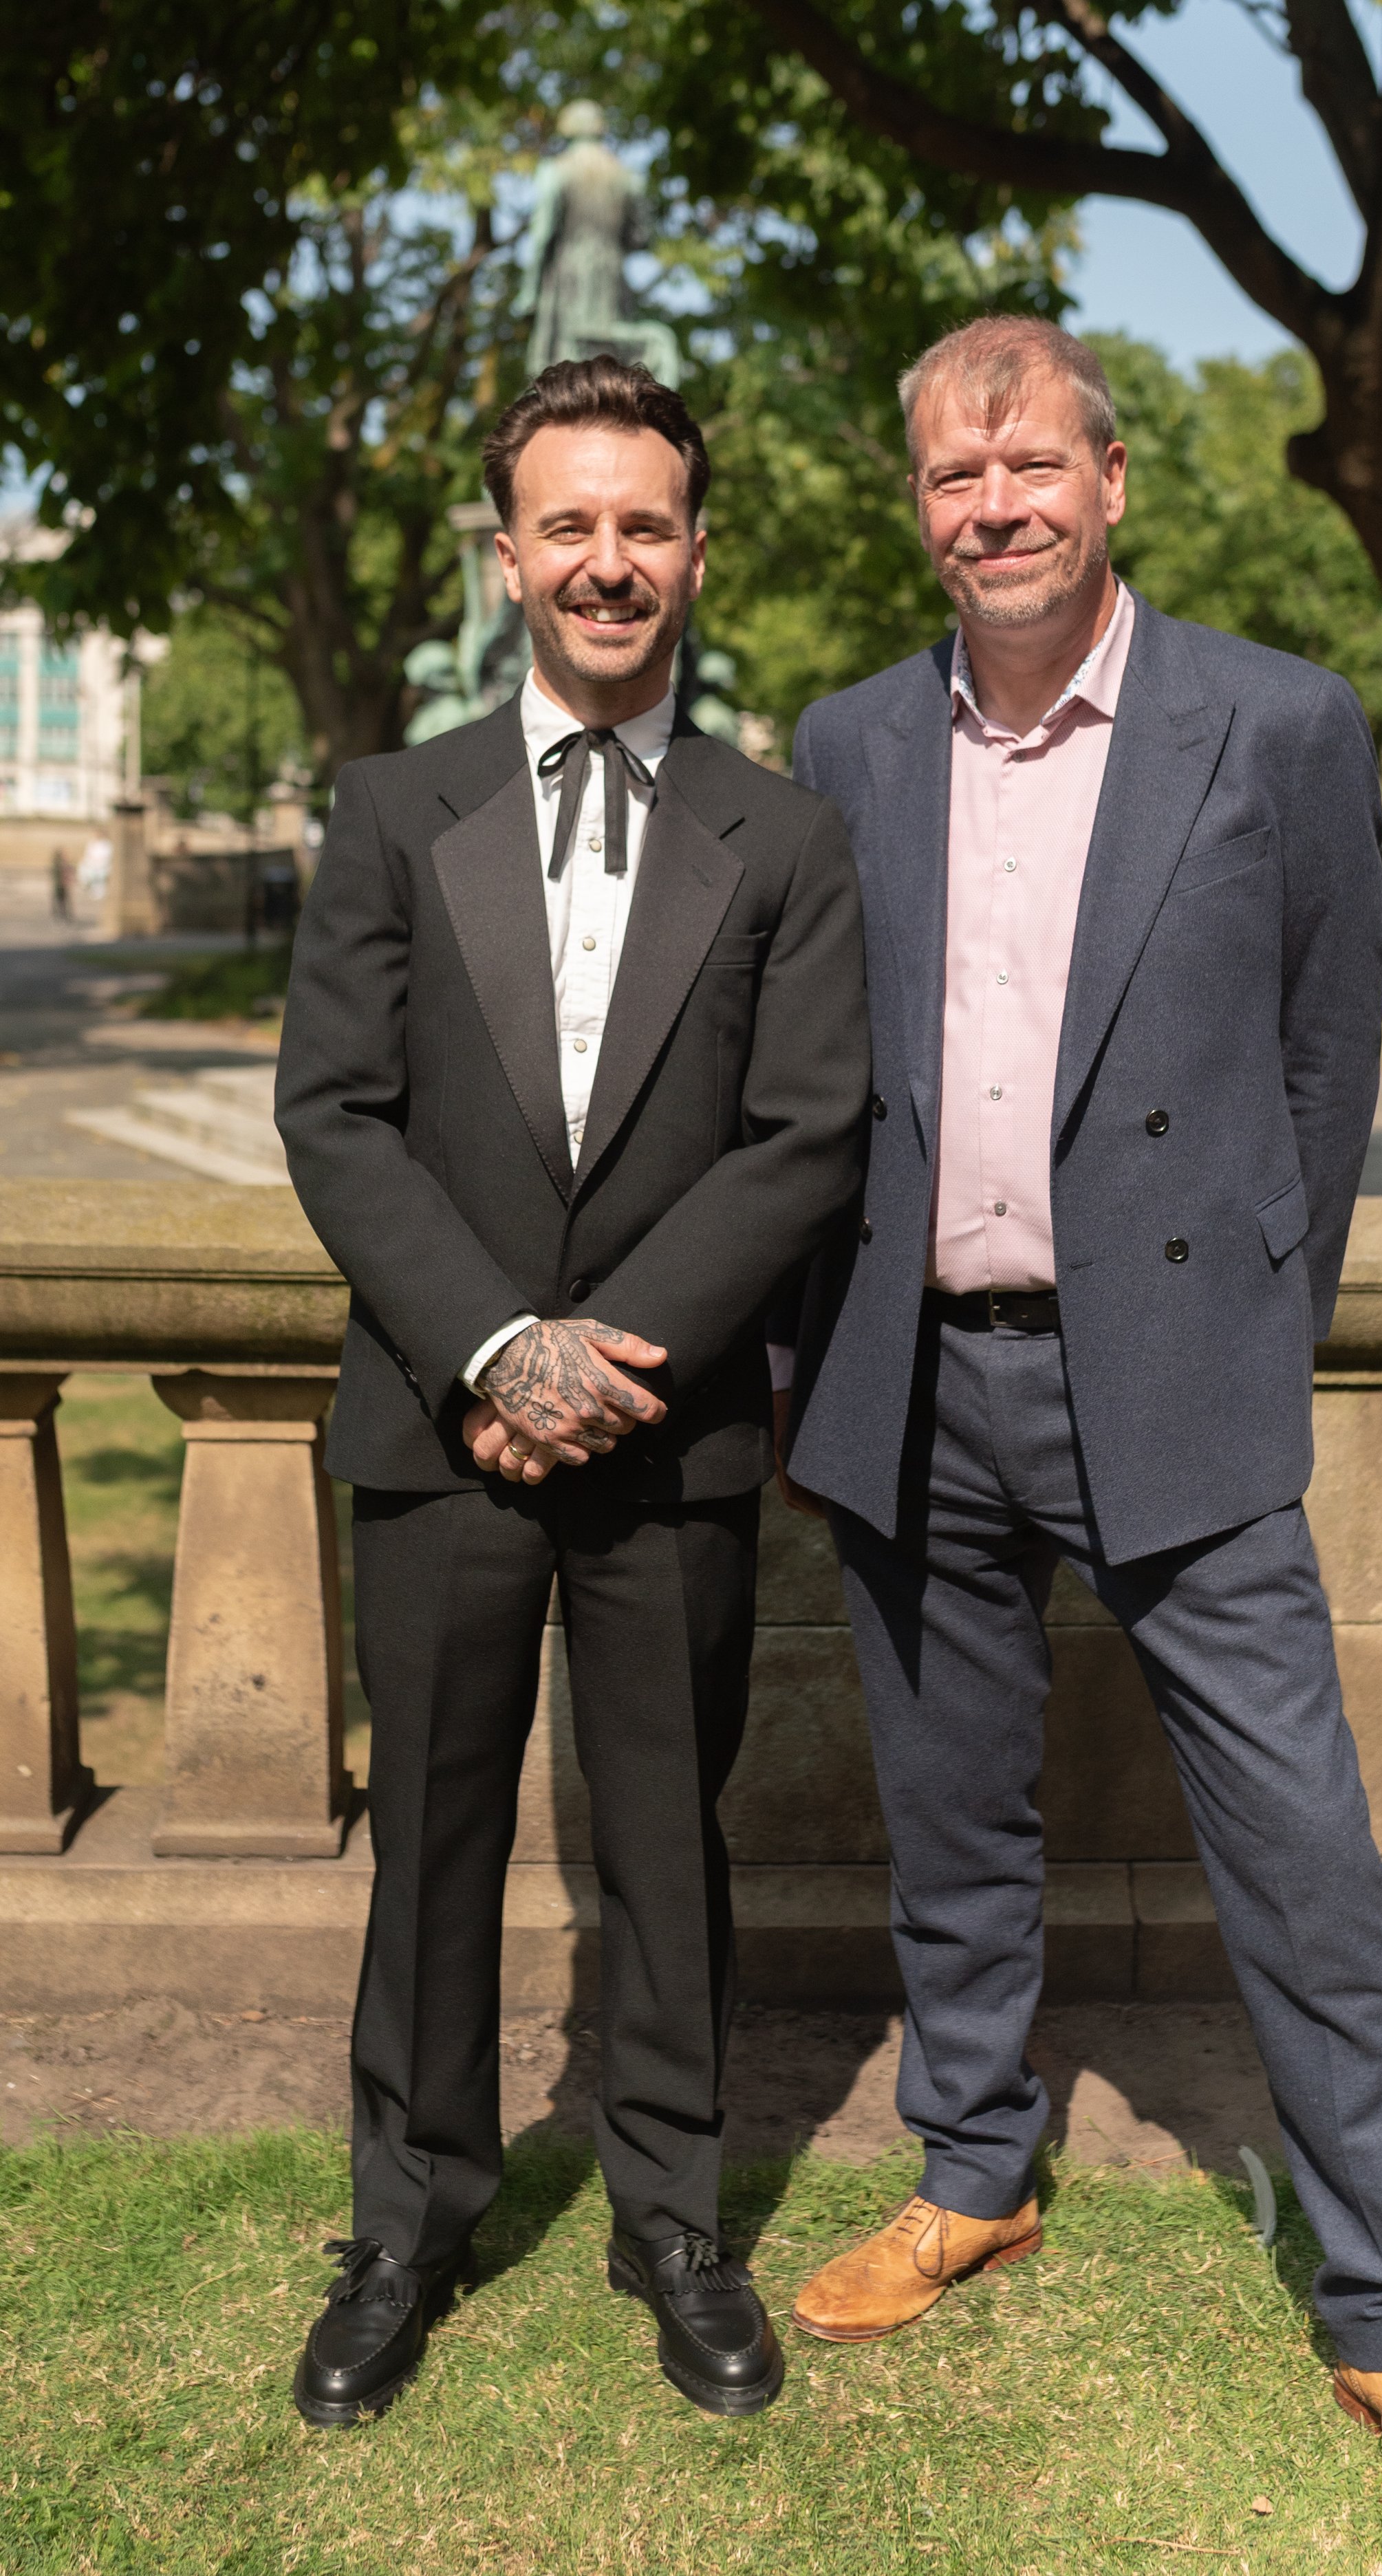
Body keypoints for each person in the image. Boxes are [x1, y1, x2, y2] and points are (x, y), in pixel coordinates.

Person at [775, 318, 1382, 2568]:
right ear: (917, 506)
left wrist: (1240, 1338)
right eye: (952, 475)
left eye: (1029, 462)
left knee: (1302, 1860)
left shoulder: (1279, 719)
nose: (992, 503)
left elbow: (1326, 1075)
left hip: (1180, 1381)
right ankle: (967, 2173)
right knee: (952, 1820)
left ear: (1112, 480)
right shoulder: (844, 741)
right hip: (914, 1376)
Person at [275, 356, 869, 2427]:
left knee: (665, 1836)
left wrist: (603, 1365)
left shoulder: (784, 836)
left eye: (646, 526)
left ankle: (673, 2220)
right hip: (435, 1425)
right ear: (505, 551)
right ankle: (407, 2222)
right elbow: (336, 1116)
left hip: (670, 1435)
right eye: (571, 525)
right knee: (429, 1837)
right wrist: (490, 1349)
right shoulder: (384, 808)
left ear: (695, 550)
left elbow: (803, 1135)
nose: (608, 562)